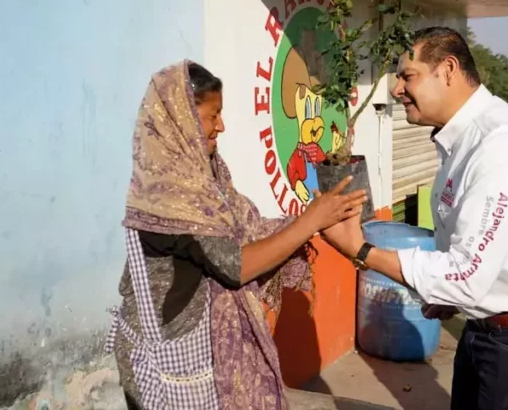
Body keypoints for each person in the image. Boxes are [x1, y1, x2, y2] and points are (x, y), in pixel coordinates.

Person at [322, 27, 508, 410]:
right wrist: (455, 297)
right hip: (490, 329)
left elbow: (465, 275)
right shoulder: (462, 141)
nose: (397, 89)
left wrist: (361, 250)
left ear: (447, 69)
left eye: (407, 75)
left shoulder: (501, 144)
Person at [106, 61, 368, 409]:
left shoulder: (207, 178)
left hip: (195, 344)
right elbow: (235, 266)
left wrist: (313, 220)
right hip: (168, 355)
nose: (222, 126)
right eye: (212, 116)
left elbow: (247, 229)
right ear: (179, 120)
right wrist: (308, 223)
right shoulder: (170, 195)